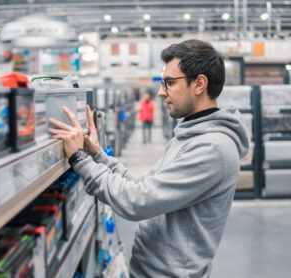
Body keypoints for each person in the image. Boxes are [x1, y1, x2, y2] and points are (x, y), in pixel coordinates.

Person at [48, 39, 249, 278]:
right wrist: (97, 155)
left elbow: (136, 201)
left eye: (170, 83)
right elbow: (143, 185)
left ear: (199, 84)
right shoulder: (190, 136)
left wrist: (80, 159)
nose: (160, 92)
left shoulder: (212, 148)